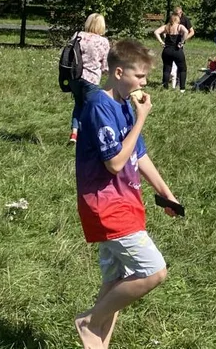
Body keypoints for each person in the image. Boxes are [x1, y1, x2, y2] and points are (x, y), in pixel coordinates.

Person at [73, 39, 180, 349]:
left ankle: (97, 344)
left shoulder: (123, 105)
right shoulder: (98, 106)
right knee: (153, 271)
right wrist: (143, 117)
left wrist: (166, 193)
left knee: (116, 280)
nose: (144, 83)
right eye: (139, 76)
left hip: (127, 201)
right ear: (118, 72)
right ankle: (89, 322)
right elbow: (115, 161)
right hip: (106, 205)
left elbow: (139, 155)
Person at [69, 13, 112, 144]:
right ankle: (89, 137)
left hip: (74, 77)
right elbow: (105, 66)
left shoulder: (78, 36)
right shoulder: (103, 41)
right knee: (91, 107)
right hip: (91, 79)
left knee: (78, 104)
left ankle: (74, 133)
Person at [154, 14, 189, 92]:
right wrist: (182, 42)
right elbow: (186, 31)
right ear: (177, 19)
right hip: (177, 50)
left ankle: (165, 87)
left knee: (166, 69)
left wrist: (161, 42)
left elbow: (156, 32)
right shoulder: (180, 26)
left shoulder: (166, 26)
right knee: (182, 69)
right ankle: (182, 88)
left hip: (167, 50)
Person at [169, 7, 194, 86]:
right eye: (176, 14)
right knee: (170, 61)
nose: (178, 16)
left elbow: (192, 31)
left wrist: (184, 39)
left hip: (179, 43)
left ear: (181, 13)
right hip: (170, 43)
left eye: (179, 14)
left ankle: (179, 79)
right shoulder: (171, 19)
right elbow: (166, 28)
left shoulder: (185, 19)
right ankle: (171, 77)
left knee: (179, 62)